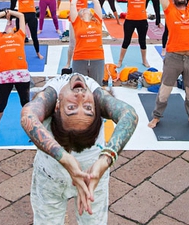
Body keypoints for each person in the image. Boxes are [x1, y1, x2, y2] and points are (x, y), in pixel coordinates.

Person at [20, 73, 138, 222]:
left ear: (56, 106)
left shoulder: (51, 96)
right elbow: (130, 115)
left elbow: (27, 116)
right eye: (88, 108)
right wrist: (105, 160)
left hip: (57, 173)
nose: (81, 97)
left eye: (72, 107)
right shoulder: (97, 96)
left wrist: (64, 158)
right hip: (93, 173)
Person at [149, 0, 189, 129]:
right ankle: (156, 117)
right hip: (174, 57)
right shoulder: (169, 10)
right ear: (172, 0)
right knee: (165, 90)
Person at [0, 9, 31, 139]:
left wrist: (11, 12)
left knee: (25, 103)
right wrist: (6, 13)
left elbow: (21, 15)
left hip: (21, 73)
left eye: (12, 24)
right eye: (7, 24)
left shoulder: (20, 35)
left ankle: (31, 127)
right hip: (5, 75)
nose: (10, 25)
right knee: (1, 103)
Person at [116, 0, 149, 68]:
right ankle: (120, 60)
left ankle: (144, 60)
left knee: (142, 41)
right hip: (130, 20)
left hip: (142, 20)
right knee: (126, 41)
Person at [69, 0, 105, 83]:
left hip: (97, 58)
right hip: (80, 58)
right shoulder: (77, 23)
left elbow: (97, 3)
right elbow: (72, 4)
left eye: (88, 9)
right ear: (79, 14)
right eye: (83, 9)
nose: (85, 9)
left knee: (96, 88)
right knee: (80, 88)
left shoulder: (97, 21)